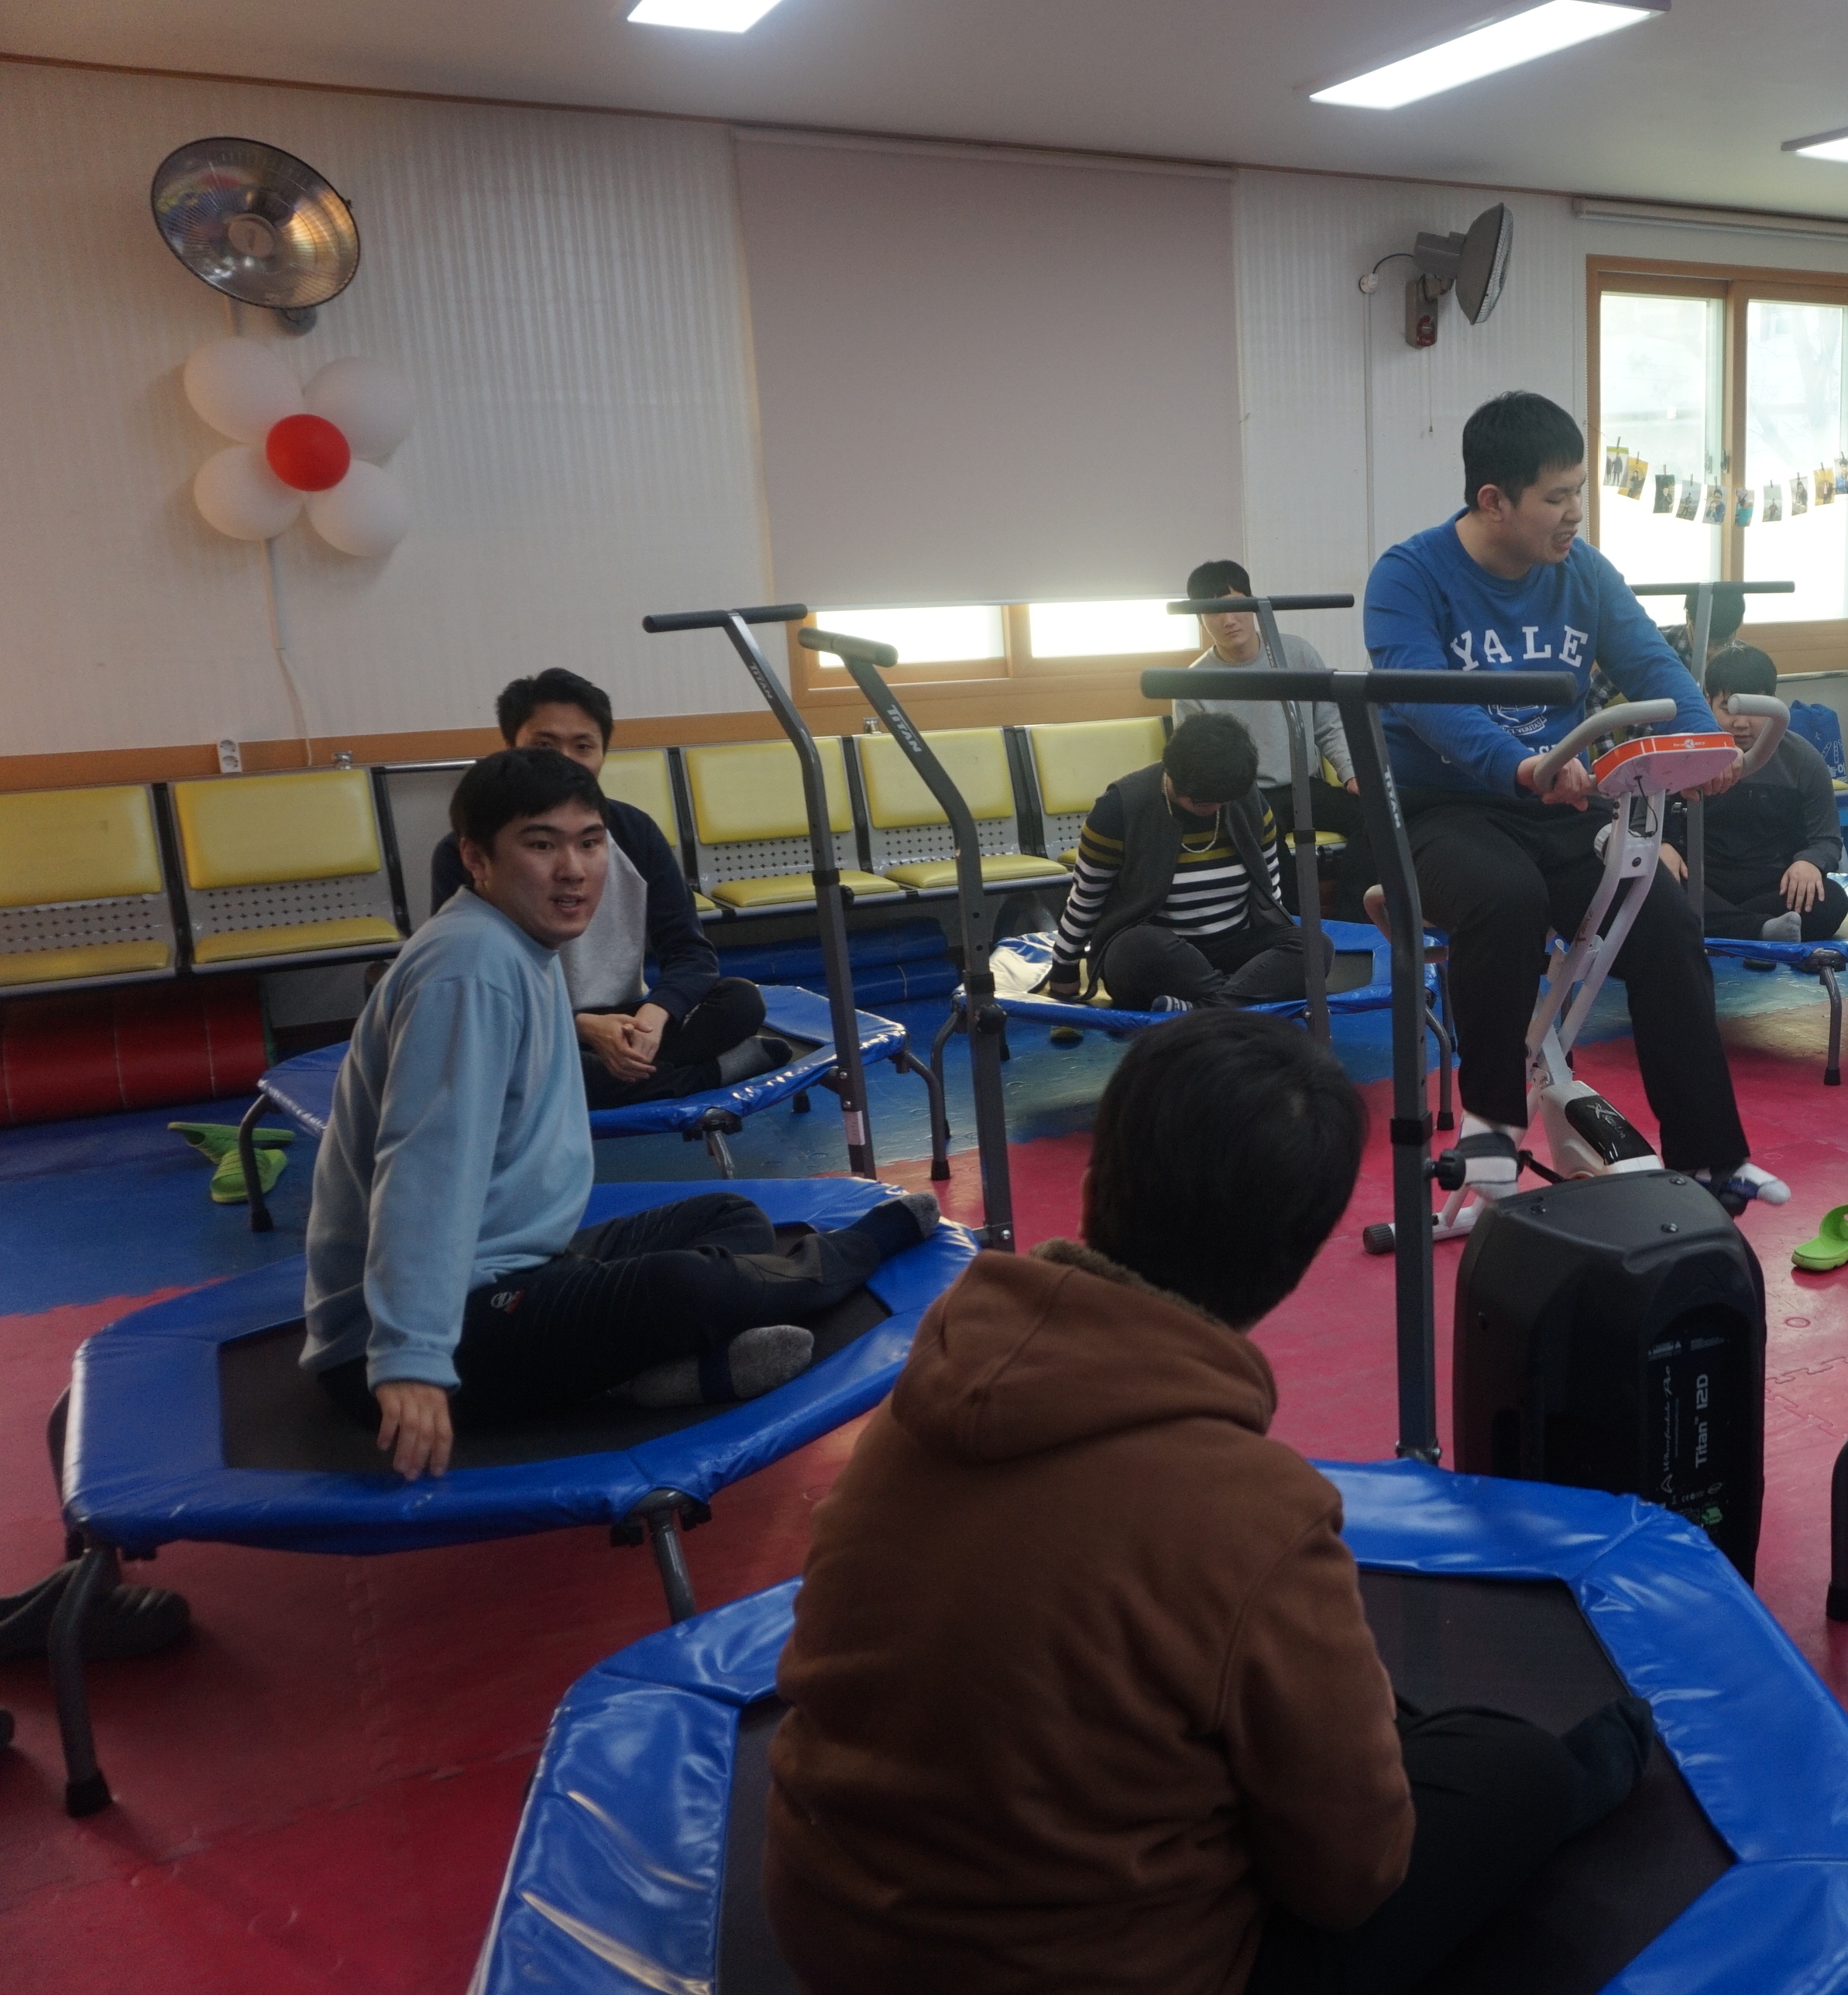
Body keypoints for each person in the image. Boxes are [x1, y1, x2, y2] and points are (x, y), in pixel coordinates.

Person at [764, 1011, 1654, 1995]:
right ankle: (1585, 1773)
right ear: (1293, 1260)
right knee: (1509, 1767)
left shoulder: (929, 1389)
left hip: (827, 1930)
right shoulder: (1253, 1511)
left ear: (1097, 1178)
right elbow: (1351, 1877)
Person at [306, 748, 936, 1478]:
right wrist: (409, 1359)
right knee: (686, 1288)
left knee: (728, 1216)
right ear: (475, 859)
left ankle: (647, 1377)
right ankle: (857, 1251)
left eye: (590, 843)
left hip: (520, 1262)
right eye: (542, 845)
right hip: (425, 1332)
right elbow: (423, 1166)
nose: (573, 870)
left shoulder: (517, 942)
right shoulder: (469, 969)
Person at [1361, 390, 1786, 1209]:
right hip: (1440, 810)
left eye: (1580, 491)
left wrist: (1701, 741)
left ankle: (1710, 1158)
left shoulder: (1583, 572)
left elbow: (1651, 664)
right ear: (1494, 500)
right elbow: (1424, 699)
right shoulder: (1408, 575)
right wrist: (1521, 765)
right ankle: (1490, 1128)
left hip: (1557, 799)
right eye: (1556, 497)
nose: (1575, 513)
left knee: (1663, 921)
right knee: (1504, 897)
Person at [428, 666, 781, 1107]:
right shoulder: (475, 848)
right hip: (533, 1024)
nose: (566, 761)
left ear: (603, 753)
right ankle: (707, 1073)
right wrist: (578, 1026)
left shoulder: (635, 831)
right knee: (511, 1063)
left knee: (740, 1001)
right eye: (544, 745)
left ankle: (622, 1076)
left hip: (628, 1019)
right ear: (510, 747)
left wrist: (654, 1017)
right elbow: (467, 991)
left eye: (583, 746)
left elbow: (690, 952)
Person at [1045, 712, 1314, 1012]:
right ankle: (1240, 1000)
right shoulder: (1118, 810)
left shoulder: (1246, 800)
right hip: (1161, 957)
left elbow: (1270, 892)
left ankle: (1202, 1009)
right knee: (1136, 947)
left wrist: (1276, 945)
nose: (1214, 809)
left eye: (1222, 802)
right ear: (1173, 775)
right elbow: (1086, 899)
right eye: (1201, 802)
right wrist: (1064, 970)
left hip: (1232, 947)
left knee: (1315, 945)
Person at [1177, 558, 1362, 896]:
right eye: (1213, 612)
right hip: (1248, 796)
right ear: (1200, 619)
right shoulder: (1193, 683)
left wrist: (1352, 773)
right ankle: (1289, 922)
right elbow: (1198, 764)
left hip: (1306, 785)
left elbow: (1328, 724)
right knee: (1263, 841)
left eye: (1236, 606)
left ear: (1254, 604)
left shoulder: (1297, 653)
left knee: (1375, 817)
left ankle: (1352, 915)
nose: (1228, 620)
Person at [1664, 644, 1848, 943]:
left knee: (1831, 900)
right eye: (1728, 708)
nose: (1741, 723)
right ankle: (1761, 930)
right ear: (1707, 702)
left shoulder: (1803, 760)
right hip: (1702, 879)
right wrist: (1662, 847)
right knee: (1651, 883)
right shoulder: (1683, 756)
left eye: (1754, 709)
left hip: (1773, 884)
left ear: (1774, 706)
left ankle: (1724, 923)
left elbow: (1827, 839)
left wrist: (1810, 862)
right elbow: (1643, 824)